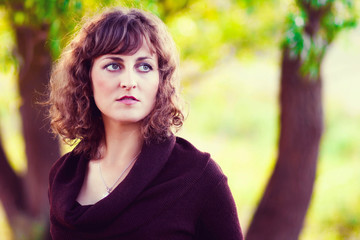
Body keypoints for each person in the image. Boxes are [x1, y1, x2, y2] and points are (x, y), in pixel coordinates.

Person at [47, 6, 243, 240]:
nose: (129, 82)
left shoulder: (198, 177)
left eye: (144, 66)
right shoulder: (63, 176)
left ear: (160, 81)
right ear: (85, 78)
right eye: (114, 65)